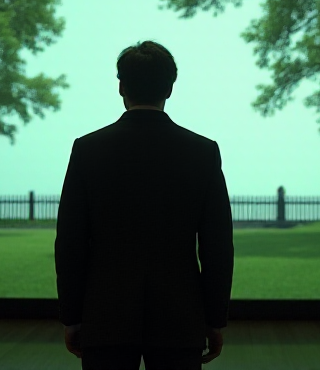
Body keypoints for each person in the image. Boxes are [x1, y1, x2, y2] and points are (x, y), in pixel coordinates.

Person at [55, 41, 235, 370]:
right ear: (169, 87)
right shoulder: (202, 152)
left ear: (121, 86)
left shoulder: (88, 150)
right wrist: (214, 319)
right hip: (180, 315)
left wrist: (72, 317)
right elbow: (217, 247)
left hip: (105, 314)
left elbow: (70, 242)